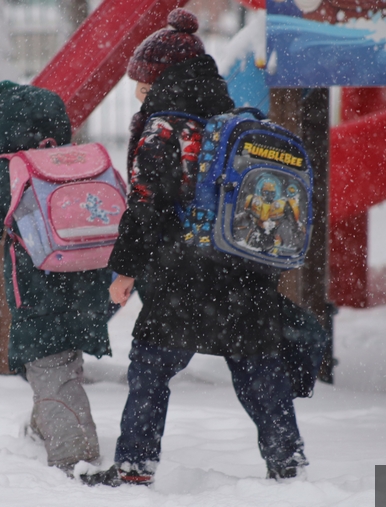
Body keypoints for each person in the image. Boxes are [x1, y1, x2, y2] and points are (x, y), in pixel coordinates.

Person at [107, 8, 308, 485]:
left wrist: (125, 271)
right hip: (241, 269)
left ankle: (135, 466)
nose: (138, 89)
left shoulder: (164, 128)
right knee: (259, 371)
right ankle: (289, 465)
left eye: (144, 80)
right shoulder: (229, 118)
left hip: (183, 271)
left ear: (161, 77)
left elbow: (146, 204)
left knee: (151, 369)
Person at [0, 81, 112, 476]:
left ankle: (75, 457)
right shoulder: (78, 159)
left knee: (50, 365)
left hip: (38, 291)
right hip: (91, 283)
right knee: (63, 362)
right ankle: (43, 427)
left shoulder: (9, 169)